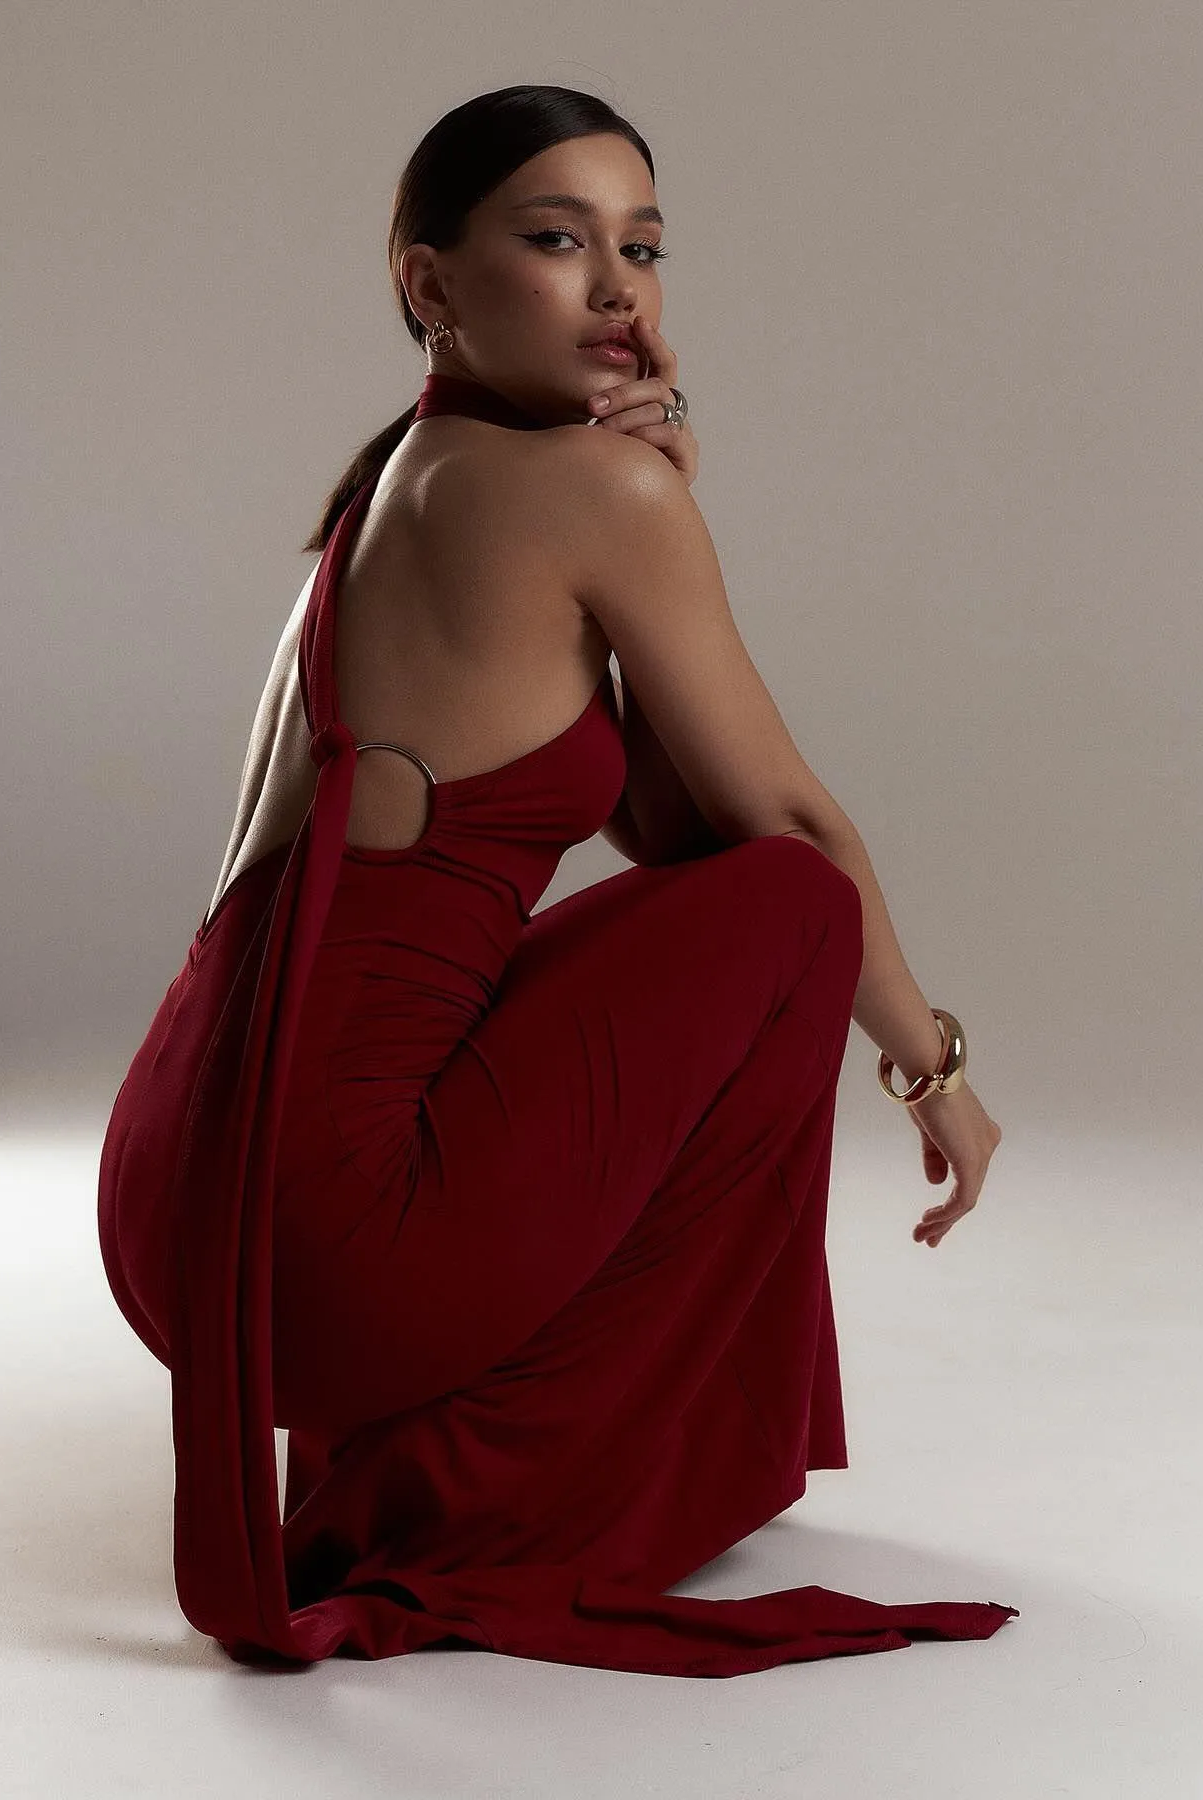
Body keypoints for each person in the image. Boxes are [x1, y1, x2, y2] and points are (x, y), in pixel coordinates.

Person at [96, 84, 1014, 1679]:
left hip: (182, 1204)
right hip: (321, 1241)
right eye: (555, 239)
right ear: (430, 282)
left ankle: (451, 1420)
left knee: (728, 916)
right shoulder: (596, 491)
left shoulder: (400, 479)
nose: (617, 289)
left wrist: (670, 511)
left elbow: (672, 833)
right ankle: (543, 1477)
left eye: (642, 247)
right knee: (799, 907)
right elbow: (783, 830)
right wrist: (931, 1062)